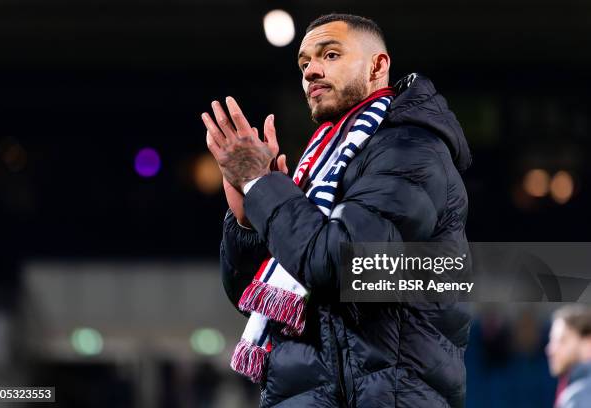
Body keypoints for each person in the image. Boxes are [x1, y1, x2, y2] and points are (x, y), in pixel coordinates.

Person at [201, 13, 472, 408]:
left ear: (378, 66)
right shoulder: (323, 163)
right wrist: (248, 219)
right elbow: (251, 295)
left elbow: (343, 266)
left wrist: (263, 185)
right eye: (304, 63)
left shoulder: (410, 150)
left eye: (330, 55)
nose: (311, 71)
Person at [547, 305, 591, 408]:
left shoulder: (580, 397)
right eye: (552, 341)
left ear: (588, 343)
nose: (550, 350)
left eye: (562, 341)